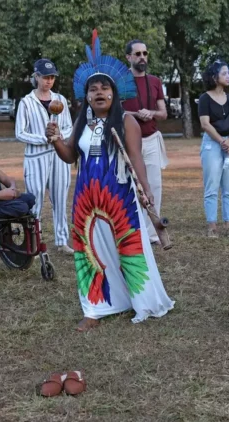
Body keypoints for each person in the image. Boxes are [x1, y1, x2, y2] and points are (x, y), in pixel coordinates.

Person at [51, 33, 174, 331]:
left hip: (119, 198)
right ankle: (94, 307)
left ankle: (140, 299)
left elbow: (137, 160)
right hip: (86, 200)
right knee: (89, 250)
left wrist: (146, 193)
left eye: (104, 87)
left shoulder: (126, 121)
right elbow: (70, 156)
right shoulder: (82, 122)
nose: (99, 93)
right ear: (86, 96)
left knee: (128, 248)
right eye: (93, 89)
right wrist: (56, 140)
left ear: (114, 93)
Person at [15, 58, 74, 254]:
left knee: (60, 198)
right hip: (36, 157)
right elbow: (20, 132)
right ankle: (33, 241)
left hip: (59, 156)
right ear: (36, 76)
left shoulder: (60, 100)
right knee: (35, 200)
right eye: (45, 77)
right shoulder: (26, 102)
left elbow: (68, 126)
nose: (48, 81)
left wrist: (58, 136)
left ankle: (61, 241)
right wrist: (44, 138)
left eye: (51, 77)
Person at [122, 40, 168, 245]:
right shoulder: (119, 81)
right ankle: (132, 230)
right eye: (137, 53)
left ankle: (151, 233)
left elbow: (164, 113)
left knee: (154, 186)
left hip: (151, 139)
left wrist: (152, 113)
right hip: (128, 143)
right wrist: (135, 114)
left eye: (145, 53)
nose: (142, 57)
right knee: (129, 187)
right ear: (128, 57)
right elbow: (115, 112)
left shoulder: (155, 81)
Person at [198, 60, 229, 238]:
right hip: (212, 144)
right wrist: (222, 142)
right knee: (212, 186)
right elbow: (205, 124)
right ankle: (212, 226)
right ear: (214, 77)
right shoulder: (205, 98)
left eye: (228, 73)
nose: (228, 76)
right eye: (224, 73)